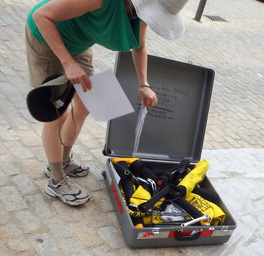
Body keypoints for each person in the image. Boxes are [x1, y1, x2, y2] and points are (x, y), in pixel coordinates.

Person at [25, 0, 189, 206]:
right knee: (57, 113)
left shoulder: (140, 12)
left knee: (84, 105)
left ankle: (64, 160)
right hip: (47, 37)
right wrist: (68, 63)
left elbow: (140, 45)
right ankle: (56, 180)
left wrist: (143, 83)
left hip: (79, 44)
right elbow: (42, 16)